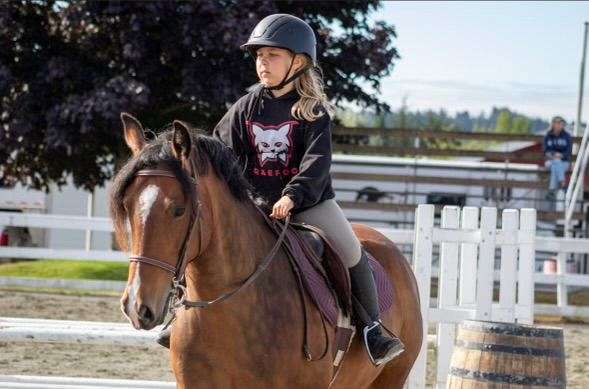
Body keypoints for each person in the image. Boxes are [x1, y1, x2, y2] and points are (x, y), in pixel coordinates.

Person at [157, 14, 405, 366]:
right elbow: (223, 154)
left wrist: (292, 196)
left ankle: (372, 330)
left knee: (351, 251)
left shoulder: (313, 112)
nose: (262, 63)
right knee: (200, 236)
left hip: (309, 203)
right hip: (255, 205)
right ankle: (181, 314)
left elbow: (316, 164)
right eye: (259, 56)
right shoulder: (246, 107)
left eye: (272, 55)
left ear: (298, 62)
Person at [543, 116, 572, 200]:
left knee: (556, 165)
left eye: (561, 124)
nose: (560, 125)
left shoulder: (567, 136)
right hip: (549, 161)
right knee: (556, 162)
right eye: (558, 123)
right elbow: (545, 151)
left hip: (564, 162)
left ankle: (552, 191)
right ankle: (563, 184)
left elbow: (568, 152)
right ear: (553, 124)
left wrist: (560, 155)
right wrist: (553, 155)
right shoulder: (548, 135)